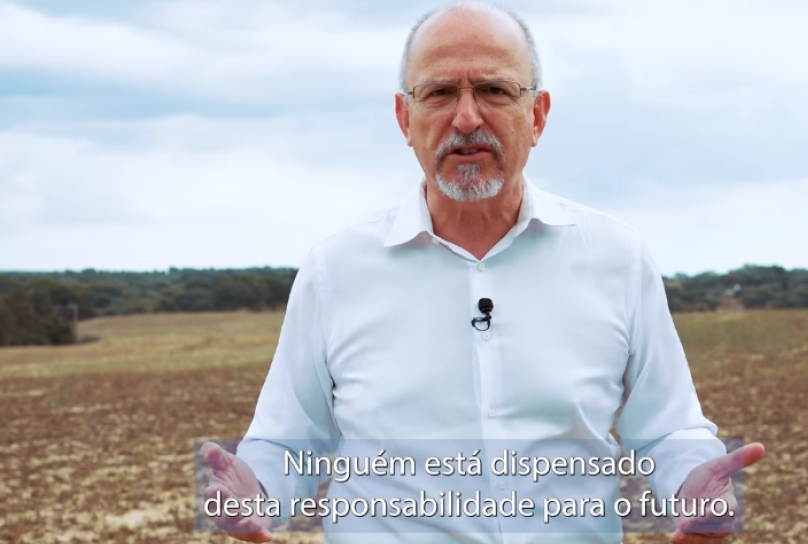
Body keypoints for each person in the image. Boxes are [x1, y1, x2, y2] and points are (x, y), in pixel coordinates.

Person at [200, 3, 764, 543]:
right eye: (440, 92)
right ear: (405, 117)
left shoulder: (616, 257)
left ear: (537, 115)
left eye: (494, 90)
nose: (466, 118)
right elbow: (287, 439)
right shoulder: (334, 272)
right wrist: (257, 488)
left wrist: (695, 485)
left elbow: (667, 428)